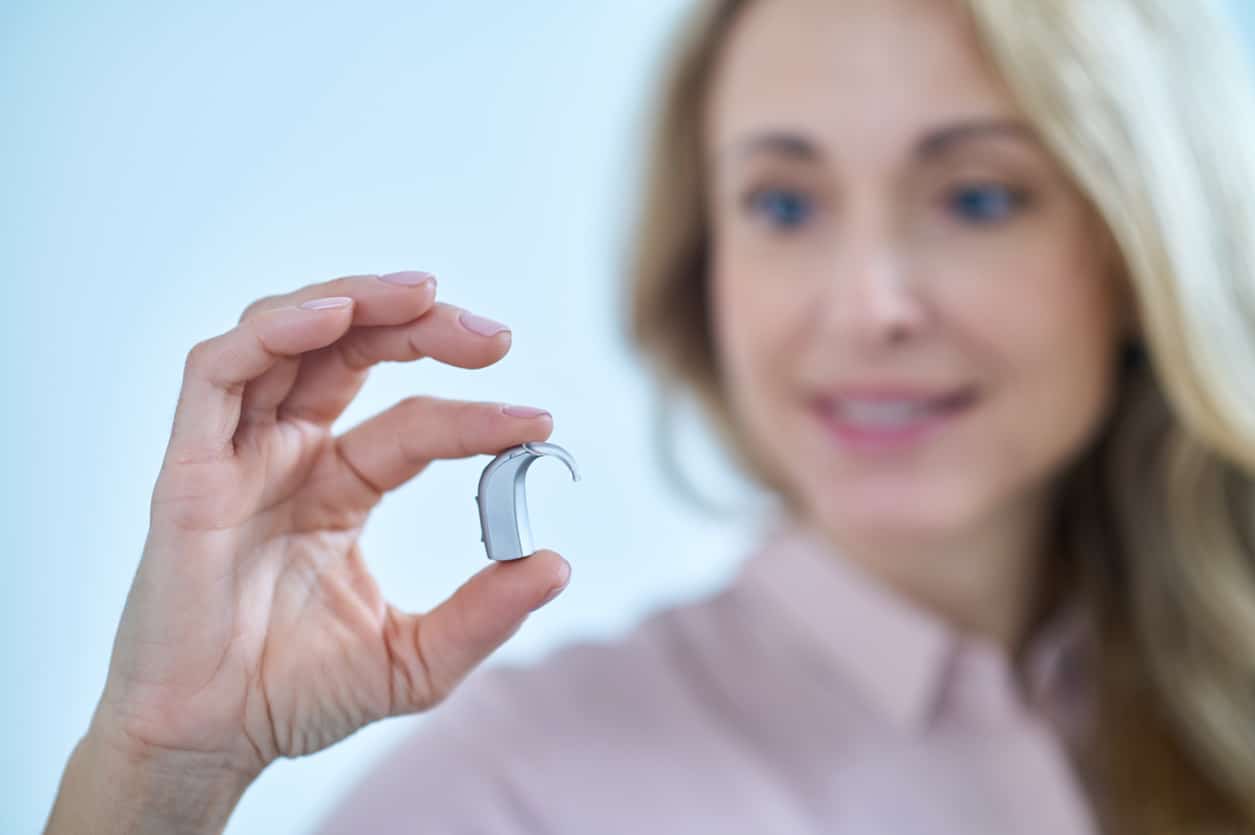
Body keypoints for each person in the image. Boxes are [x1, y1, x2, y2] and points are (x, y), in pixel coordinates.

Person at [43, 0, 1255, 832]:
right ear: (702, 269)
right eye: (783, 205)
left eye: (978, 197)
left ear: (1140, 252)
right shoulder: (508, 794)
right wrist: (161, 771)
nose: (867, 306)